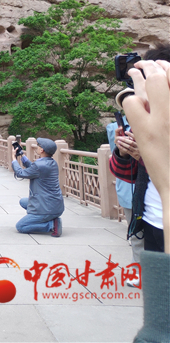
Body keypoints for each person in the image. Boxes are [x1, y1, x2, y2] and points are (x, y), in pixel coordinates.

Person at [119, 59, 170, 342]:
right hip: (151, 217)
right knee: (159, 295)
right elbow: (120, 170)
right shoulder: (148, 125)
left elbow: (158, 333)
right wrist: (132, 154)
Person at [110, 44, 170, 255]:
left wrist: (148, 154)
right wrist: (125, 152)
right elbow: (124, 173)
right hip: (151, 218)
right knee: (153, 275)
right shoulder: (148, 120)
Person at [106, 115, 144, 274]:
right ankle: (138, 271)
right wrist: (123, 151)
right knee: (137, 236)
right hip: (130, 188)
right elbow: (116, 156)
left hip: (156, 189)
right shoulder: (114, 128)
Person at [11, 138, 64, 237]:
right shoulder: (52, 163)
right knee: (23, 201)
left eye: (38, 146)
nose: (37, 147)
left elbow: (20, 173)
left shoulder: (40, 166)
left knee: (20, 226)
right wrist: (22, 155)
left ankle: (52, 225)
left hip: (46, 207)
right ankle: (48, 218)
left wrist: (14, 159)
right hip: (55, 205)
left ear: (42, 150)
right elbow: (33, 168)